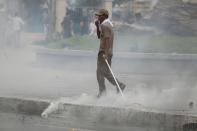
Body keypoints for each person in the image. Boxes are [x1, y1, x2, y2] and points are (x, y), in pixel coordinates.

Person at [95, 9, 126, 98]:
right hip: (105, 52)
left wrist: (105, 53)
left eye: (100, 16)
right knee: (100, 72)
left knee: (104, 72)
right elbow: (99, 36)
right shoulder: (105, 25)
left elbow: (107, 40)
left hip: (104, 52)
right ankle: (103, 91)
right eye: (98, 15)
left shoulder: (105, 25)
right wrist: (97, 26)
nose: (98, 17)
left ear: (105, 16)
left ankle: (118, 85)